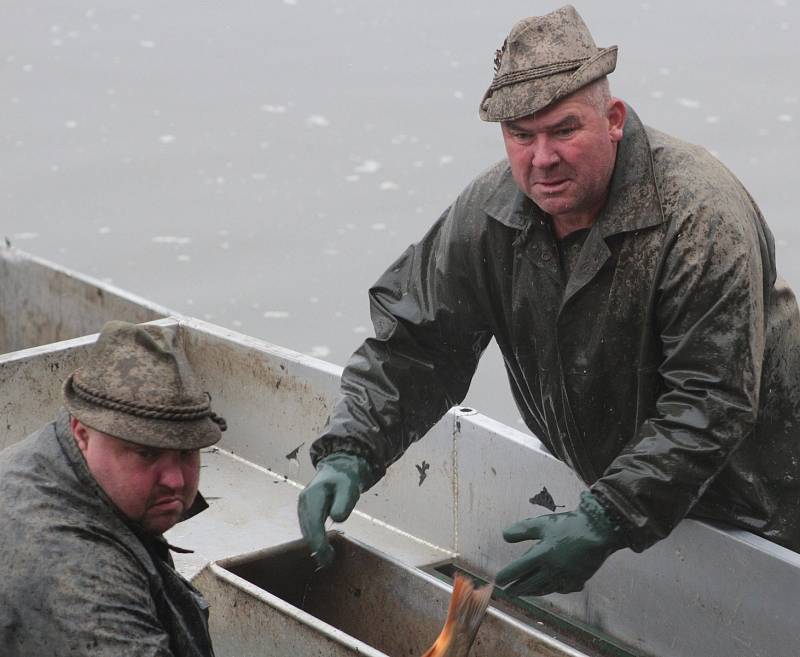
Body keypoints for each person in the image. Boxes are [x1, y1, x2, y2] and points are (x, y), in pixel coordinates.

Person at [298, 4, 800, 597]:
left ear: (612, 118)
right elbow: (417, 345)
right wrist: (352, 447)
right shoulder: (488, 213)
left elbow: (709, 399)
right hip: (639, 495)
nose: (542, 159)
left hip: (768, 495)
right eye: (521, 135)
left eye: (564, 130)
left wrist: (605, 517)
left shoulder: (698, 215)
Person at [0, 321, 227, 657]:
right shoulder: (86, 587)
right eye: (146, 452)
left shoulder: (54, 454)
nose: (176, 481)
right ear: (82, 432)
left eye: (186, 452)